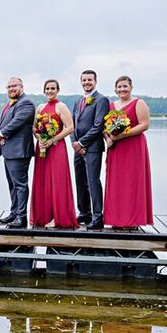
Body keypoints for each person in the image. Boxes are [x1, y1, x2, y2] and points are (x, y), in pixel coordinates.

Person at [103, 75, 154, 228]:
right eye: (119, 87)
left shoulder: (139, 103)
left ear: (131, 87)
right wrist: (108, 138)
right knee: (116, 182)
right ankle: (116, 219)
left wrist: (122, 135)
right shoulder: (111, 105)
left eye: (125, 86)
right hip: (116, 149)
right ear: (115, 89)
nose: (122, 89)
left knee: (132, 182)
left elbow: (144, 125)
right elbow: (104, 127)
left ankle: (133, 220)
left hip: (133, 147)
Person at [29, 80, 77, 228]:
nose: (50, 91)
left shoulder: (61, 106)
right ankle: (44, 215)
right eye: (47, 89)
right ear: (44, 91)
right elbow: (34, 128)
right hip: (42, 146)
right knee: (42, 180)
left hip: (56, 147)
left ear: (57, 90)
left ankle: (59, 217)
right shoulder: (40, 107)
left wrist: (52, 140)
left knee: (57, 180)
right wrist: (40, 139)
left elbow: (70, 128)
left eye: (52, 88)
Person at [0, 77, 36, 228]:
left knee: (20, 185)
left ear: (21, 86)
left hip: (19, 150)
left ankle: (21, 217)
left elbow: (16, 123)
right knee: (12, 184)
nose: (11, 89)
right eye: (9, 86)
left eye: (14, 86)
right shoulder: (8, 104)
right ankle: (14, 213)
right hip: (8, 151)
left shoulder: (26, 103)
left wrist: (2, 134)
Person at [71, 69, 110, 230]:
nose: (87, 83)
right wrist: (75, 142)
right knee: (80, 181)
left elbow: (98, 125)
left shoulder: (101, 100)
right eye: (84, 80)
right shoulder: (78, 101)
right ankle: (84, 212)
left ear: (95, 81)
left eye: (89, 80)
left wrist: (82, 143)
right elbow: (72, 124)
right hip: (77, 148)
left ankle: (97, 216)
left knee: (93, 181)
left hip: (92, 148)